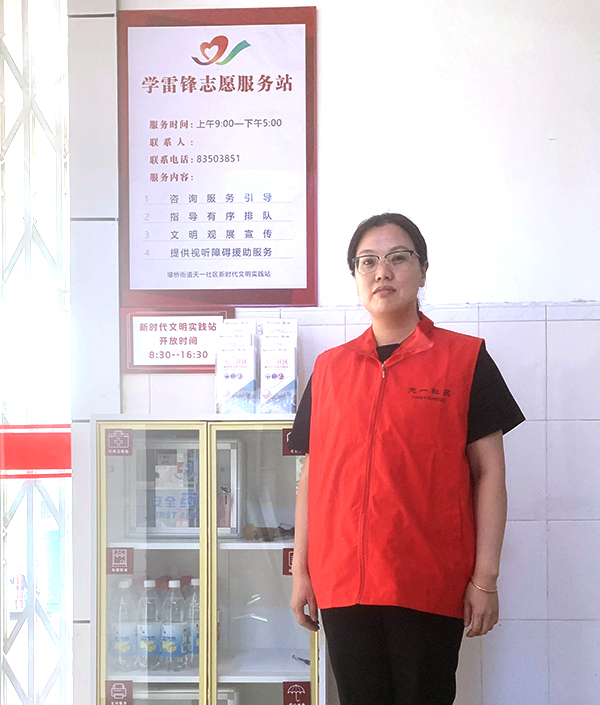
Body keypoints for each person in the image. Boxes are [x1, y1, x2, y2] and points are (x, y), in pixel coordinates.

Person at [287, 213, 525, 705]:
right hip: (343, 585)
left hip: (428, 581)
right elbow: (312, 476)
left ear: (423, 270)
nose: (382, 272)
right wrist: (303, 572)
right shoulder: (329, 369)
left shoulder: (465, 359)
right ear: (356, 276)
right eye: (367, 262)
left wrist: (486, 579)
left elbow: (489, 474)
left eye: (398, 258)